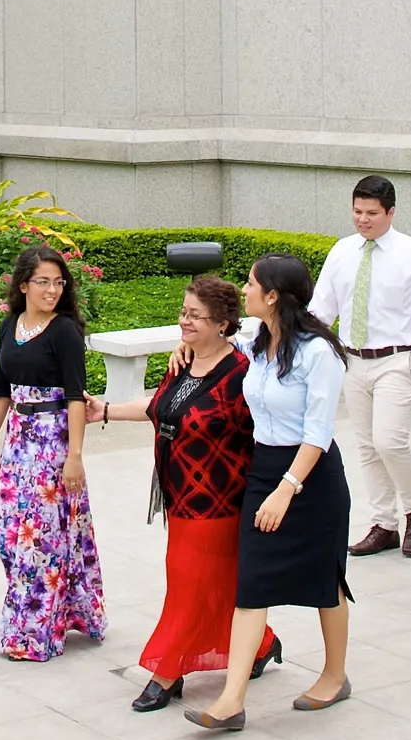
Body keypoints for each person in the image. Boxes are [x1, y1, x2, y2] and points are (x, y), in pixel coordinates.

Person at [91, 273, 280, 711]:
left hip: (221, 498)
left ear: (223, 323)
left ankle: (168, 670)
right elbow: (160, 408)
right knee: (214, 582)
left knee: (188, 584)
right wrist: (107, 411)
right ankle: (261, 643)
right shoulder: (183, 362)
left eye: (196, 315)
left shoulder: (242, 374)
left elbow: (270, 430)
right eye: (183, 312)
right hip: (179, 494)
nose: (185, 322)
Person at [185, 256, 352, 733]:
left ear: (274, 295)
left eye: (252, 283)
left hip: (310, 477)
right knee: (252, 580)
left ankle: (335, 675)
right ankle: (231, 700)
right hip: (264, 469)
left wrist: (287, 489)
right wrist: (184, 344)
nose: (245, 289)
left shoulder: (318, 352)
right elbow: (212, 341)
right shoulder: (255, 343)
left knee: (326, 579)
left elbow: (318, 434)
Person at [311, 176, 411, 557]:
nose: (363, 219)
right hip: (353, 360)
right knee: (366, 447)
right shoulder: (342, 251)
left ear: (391, 212)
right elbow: (323, 307)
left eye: (372, 213)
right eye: (358, 211)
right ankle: (384, 524)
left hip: (399, 358)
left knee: (389, 440)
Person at [0, 245, 105, 661]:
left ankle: (33, 633)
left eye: (58, 282)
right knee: (7, 534)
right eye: (43, 282)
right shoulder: (9, 326)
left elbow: (75, 397)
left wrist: (75, 455)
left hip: (53, 443)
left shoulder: (65, 331)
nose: (52, 290)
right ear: (24, 286)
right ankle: (47, 613)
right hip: (18, 440)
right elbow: (1, 389)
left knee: (40, 541)